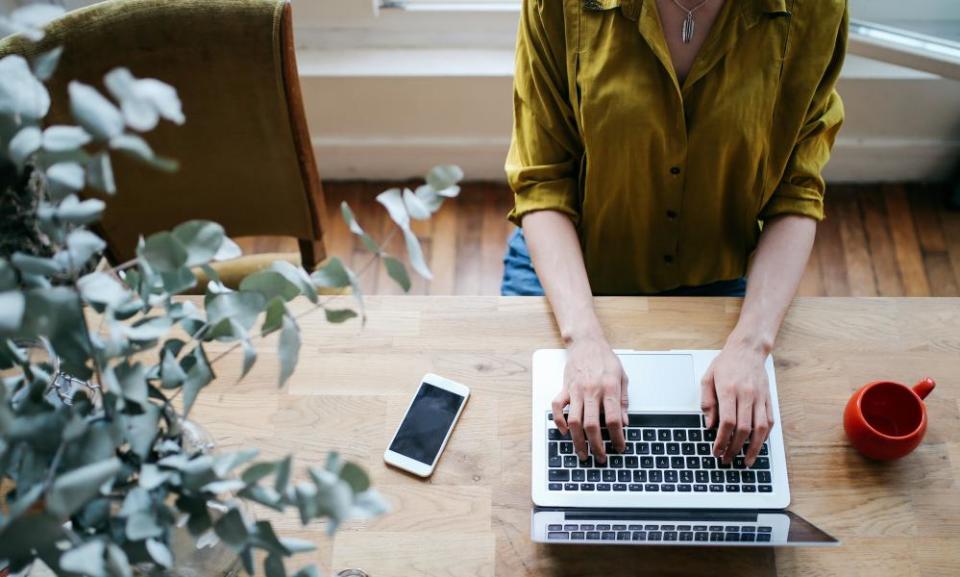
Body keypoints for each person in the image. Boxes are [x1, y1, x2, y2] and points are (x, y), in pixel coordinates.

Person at [502, 0, 847, 467]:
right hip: (570, 267)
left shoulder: (817, 10)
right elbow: (543, 181)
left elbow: (797, 190)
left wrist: (751, 346)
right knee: (523, 458)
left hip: (718, 278)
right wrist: (583, 340)